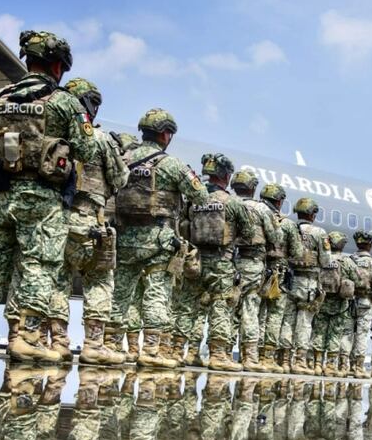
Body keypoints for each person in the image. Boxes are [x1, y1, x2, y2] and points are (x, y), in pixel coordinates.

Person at [0, 30, 93, 362]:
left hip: (0, 194)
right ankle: (27, 337)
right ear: (58, 66)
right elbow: (87, 148)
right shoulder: (64, 102)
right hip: (42, 199)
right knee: (38, 265)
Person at [108, 108, 205, 368]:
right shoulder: (171, 164)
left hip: (125, 236)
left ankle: (110, 345)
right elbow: (200, 197)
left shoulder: (125, 159)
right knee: (156, 294)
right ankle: (150, 352)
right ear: (165, 134)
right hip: (157, 240)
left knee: (120, 293)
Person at [50, 77, 128, 364]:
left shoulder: (53, 135)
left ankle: (57, 341)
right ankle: (94, 345)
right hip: (89, 222)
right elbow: (120, 178)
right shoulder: (99, 138)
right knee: (99, 281)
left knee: (57, 279)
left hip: (56, 220)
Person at [174, 153, 253, 371]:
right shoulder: (233, 202)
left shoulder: (194, 199)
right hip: (221, 263)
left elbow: (182, 224)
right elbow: (248, 233)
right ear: (226, 176)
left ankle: (183, 352)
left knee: (189, 307)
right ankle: (218, 356)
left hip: (195, 260)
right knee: (221, 307)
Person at [230, 169, 280, 372]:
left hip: (229, 262)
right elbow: (274, 237)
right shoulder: (261, 210)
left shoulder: (229, 204)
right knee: (250, 309)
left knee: (229, 309)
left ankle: (222, 353)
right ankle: (249, 357)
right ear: (253, 188)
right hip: (252, 264)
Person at [257, 183, 304, 372]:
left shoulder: (254, 212)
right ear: (280, 201)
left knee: (257, 312)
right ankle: (267, 358)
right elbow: (298, 253)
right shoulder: (287, 224)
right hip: (279, 274)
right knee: (275, 314)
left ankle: (251, 354)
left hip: (260, 268)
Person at [281, 197, 330, 374]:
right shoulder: (319, 233)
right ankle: (300, 362)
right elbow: (325, 261)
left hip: (289, 280)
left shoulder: (289, 228)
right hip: (308, 283)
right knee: (304, 322)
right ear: (312, 214)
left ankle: (284, 361)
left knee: (287, 321)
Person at [311, 231, 359, 376]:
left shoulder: (323, 258)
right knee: (335, 335)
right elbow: (357, 280)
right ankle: (331, 367)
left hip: (322, 301)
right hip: (340, 305)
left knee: (319, 332)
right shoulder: (347, 262)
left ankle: (317, 365)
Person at [343, 231, 372, 378]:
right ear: (370, 246)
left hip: (349, 301)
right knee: (362, 334)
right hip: (365, 302)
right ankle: (358, 367)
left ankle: (343, 366)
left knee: (347, 332)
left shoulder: (349, 260)